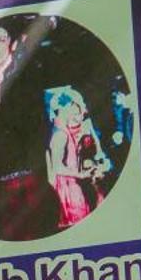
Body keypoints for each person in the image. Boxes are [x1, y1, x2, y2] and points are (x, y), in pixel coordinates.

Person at [44, 85, 108, 229]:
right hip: (68, 187)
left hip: (72, 183)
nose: (76, 110)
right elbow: (57, 167)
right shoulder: (60, 134)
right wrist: (80, 174)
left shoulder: (63, 131)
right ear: (63, 109)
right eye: (72, 106)